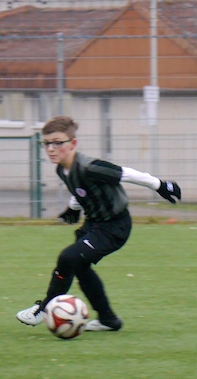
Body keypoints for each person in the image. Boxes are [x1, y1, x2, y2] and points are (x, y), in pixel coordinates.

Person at [16, 116, 182, 332]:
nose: (51, 149)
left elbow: (125, 173)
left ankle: (46, 308)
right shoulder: (62, 169)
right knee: (79, 265)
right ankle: (108, 320)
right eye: (46, 143)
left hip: (114, 227)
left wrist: (160, 185)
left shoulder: (91, 167)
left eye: (57, 143)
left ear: (73, 144)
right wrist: (73, 208)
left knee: (69, 257)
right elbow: (80, 190)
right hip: (94, 223)